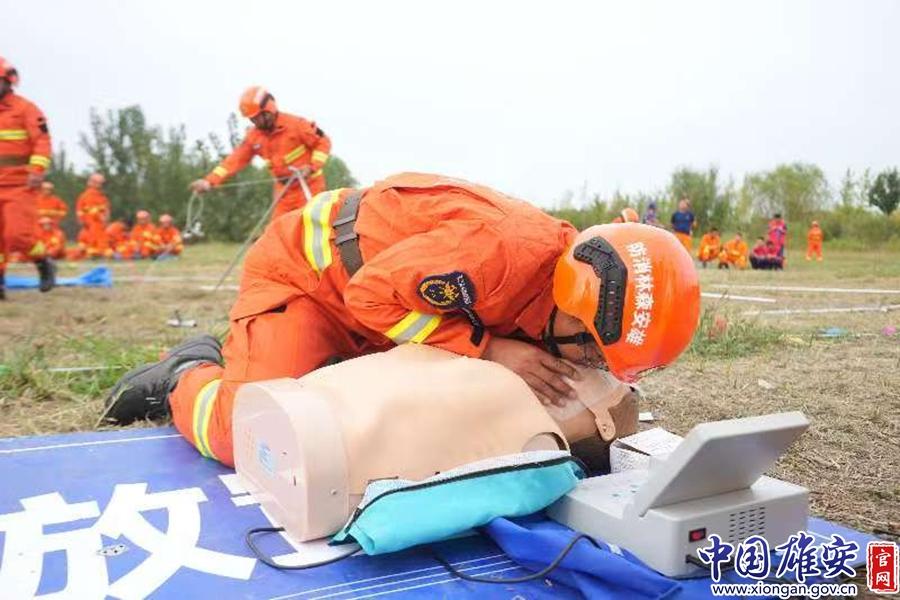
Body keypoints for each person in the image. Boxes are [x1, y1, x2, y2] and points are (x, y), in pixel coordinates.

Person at [104, 172, 701, 467]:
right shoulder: (496, 257)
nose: (592, 366)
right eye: (591, 351)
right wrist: (490, 349)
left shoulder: (570, 288)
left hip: (395, 302)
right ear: (571, 305)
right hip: (313, 279)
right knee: (251, 435)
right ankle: (187, 373)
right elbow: (369, 297)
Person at [189, 86, 332, 219]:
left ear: (268, 111)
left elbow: (323, 142)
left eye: (256, 118)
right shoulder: (254, 137)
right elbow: (233, 161)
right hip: (284, 194)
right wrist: (209, 181)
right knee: (278, 233)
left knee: (312, 228)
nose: (254, 122)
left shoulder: (296, 125)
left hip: (310, 188)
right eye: (252, 119)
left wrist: (312, 167)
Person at [0, 57, 56, 298]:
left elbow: (42, 141)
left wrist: (37, 169)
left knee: (17, 235)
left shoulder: (26, 109)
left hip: (20, 184)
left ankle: (43, 262)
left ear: (8, 81)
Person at [75, 173, 112, 259]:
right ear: (93, 183)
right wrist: (82, 221)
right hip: (90, 225)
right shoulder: (84, 196)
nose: (102, 185)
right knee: (89, 244)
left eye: (102, 183)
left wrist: (106, 219)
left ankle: (98, 252)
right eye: (100, 183)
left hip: (100, 226)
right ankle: (93, 253)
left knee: (104, 246)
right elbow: (79, 211)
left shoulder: (103, 197)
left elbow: (107, 210)